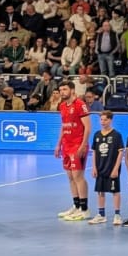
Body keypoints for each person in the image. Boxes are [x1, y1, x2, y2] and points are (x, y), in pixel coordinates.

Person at [55, 80, 91, 221]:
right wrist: (58, 144)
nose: (62, 92)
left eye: (64, 89)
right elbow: (64, 126)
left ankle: (84, 209)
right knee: (70, 177)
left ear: (71, 90)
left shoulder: (80, 105)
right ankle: (76, 206)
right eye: (60, 89)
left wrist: (83, 145)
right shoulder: (62, 106)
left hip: (77, 145)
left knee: (78, 177)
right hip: (66, 145)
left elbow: (87, 127)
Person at [89, 110, 124, 224]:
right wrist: (94, 167)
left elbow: (120, 152)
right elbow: (94, 152)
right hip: (100, 167)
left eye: (105, 119)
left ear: (110, 120)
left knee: (115, 191)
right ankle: (101, 214)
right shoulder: (97, 135)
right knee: (100, 191)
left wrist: (115, 168)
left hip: (111, 168)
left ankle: (117, 215)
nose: (103, 122)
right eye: (101, 120)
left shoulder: (116, 135)